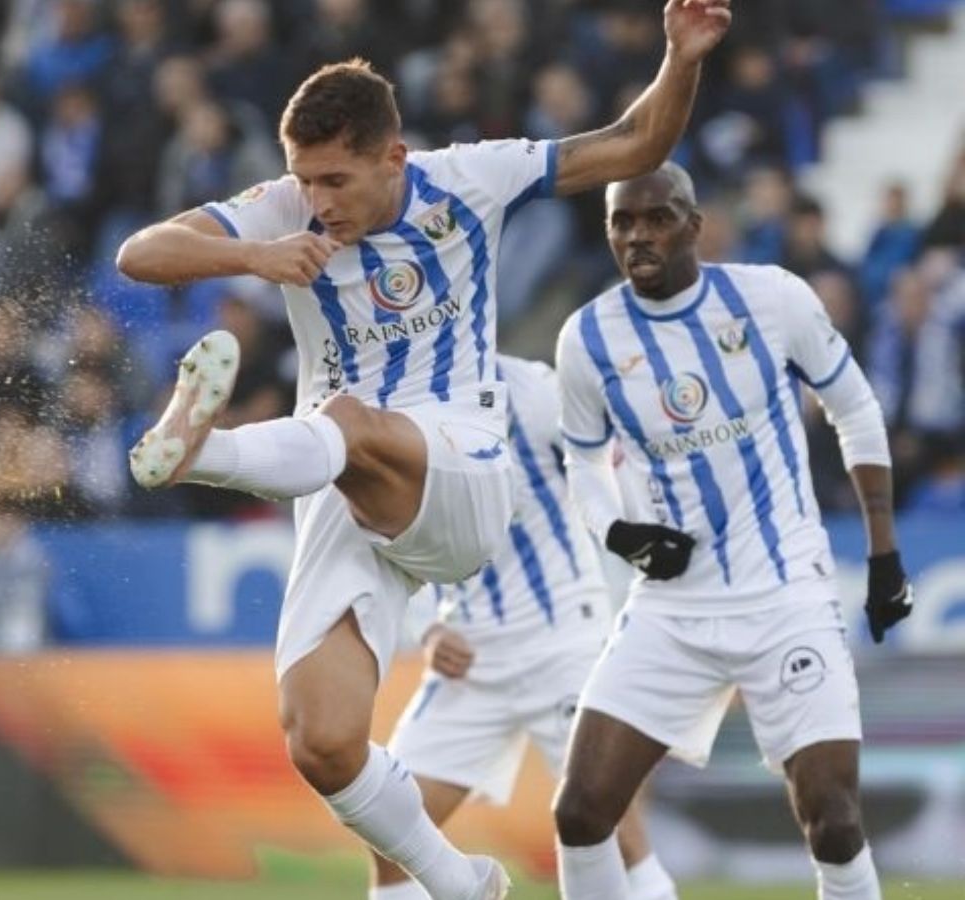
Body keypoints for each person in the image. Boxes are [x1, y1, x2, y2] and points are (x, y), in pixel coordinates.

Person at [115, 3, 733, 897]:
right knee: (320, 742)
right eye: (304, 180)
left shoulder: (472, 180)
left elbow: (632, 144)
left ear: (392, 158)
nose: (317, 203)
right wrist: (253, 258)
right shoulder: (284, 210)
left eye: (335, 180)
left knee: (354, 419)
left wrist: (680, 57)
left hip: (457, 462)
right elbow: (142, 252)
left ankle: (201, 453)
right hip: (336, 484)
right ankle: (460, 882)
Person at [551, 162, 912, 900]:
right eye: (622, 222)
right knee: (581, 812)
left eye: (656, 219)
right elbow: (584, 466)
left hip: (785, 597)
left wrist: (884, 554)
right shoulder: (587, 338)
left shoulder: (771, 298)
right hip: (671, 610)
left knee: (835, 821)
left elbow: (856, 408)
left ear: (694, 225)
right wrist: (621, 534)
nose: (638, 236)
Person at [372, 355, 678, 900]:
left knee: (609, 821)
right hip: (469, 651)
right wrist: (427, 629)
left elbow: (615, 468)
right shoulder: (395, 403)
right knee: (393, 833)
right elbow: (386, 534)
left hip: (561, 638)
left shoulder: (534, 392)